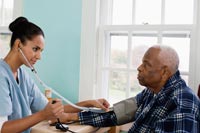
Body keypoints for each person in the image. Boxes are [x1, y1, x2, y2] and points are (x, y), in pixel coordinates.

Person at [51, 45, 200, 132]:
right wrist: (71, 117)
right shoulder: (151, 91)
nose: (139, 68)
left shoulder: (182, 102)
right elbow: (119, 114)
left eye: (146, 65)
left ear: (164, 72)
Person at [0, 16, 110, 133]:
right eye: (35, 49)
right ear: (18, 45)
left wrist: (88, 103)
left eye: (41, 51)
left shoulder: (23, 77)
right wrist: (42, 115)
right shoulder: (2, 76)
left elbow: (53, 110)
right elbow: (2, 129)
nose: (39, 56)